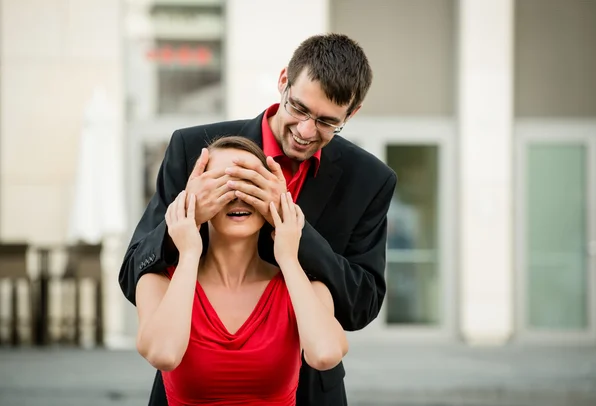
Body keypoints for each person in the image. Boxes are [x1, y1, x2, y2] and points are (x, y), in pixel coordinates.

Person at [119, 33, 397, 406]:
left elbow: (362, 304)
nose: (305, 131)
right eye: (299, 108)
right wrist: (187, 219)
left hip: (313, 390)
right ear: (284, 80)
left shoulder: (369, 180)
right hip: (195, 380)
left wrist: (292, 228)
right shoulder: (192, 150)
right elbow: (133, 269)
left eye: (328, 122)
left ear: (352, 113)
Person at [135, 136, 347, 405]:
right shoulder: (157, 283)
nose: (237, 196)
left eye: (251, 184)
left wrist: (289, 258)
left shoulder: (305, 288)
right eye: (221, 184)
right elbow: (164, 355)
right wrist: (188, 251)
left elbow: (325, 355)